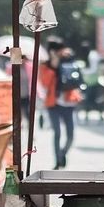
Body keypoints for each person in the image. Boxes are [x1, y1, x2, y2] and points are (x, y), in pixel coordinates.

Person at [39, 37, 83, 169]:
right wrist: (54, 65)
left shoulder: (69, 59)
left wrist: (67, 59)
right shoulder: (46, 65)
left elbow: (77, 76)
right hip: (54, 103)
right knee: (57, 133)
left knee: (70, 135)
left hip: (69, 102)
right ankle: (57, 161)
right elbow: (45, 83)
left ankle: (63, 153)